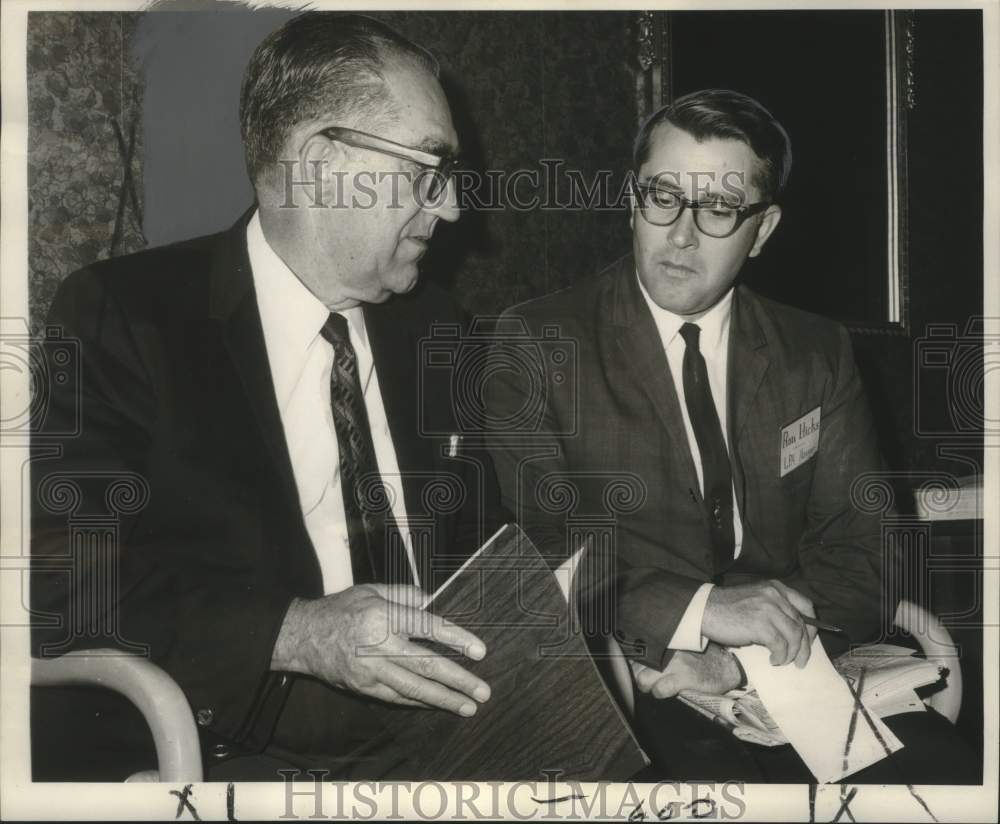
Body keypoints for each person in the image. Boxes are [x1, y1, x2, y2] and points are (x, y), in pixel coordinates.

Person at [31, 12, 505, 781]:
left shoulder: (436, 328)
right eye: (429, 169)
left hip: (446, 735)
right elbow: (62, 585)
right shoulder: (125, 318)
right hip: (238, 747)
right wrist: (300, 634)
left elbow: (483, 543)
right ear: (320, 164)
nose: (451, 207)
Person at [485, 89, 977, 782]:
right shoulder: (538, 341)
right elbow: (547, 553)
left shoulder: (816, 352)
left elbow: (869, 548)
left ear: (763, 229)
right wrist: (701, 613)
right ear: (632, 200)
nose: (681, 234)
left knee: (944, 779)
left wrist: (741, 658)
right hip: (637, 675)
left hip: (796, 665)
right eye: (663, 196)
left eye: (718, 208)